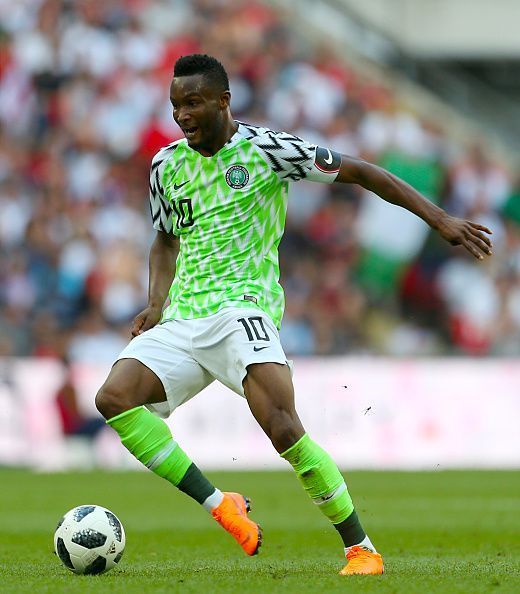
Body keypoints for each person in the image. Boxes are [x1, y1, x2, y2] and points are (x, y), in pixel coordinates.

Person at [95, 54, 493, 576]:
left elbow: (363, 172)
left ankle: (360, 548)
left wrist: (438, 218)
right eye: (175, 106)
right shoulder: (165, 165)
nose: (182, 115)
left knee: (283, 427)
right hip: (182, 319)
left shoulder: (267, 151)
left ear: (222, 100)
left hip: (242, 312)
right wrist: (155, 300)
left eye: (192, 103)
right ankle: (222, 506)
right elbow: (165, 238)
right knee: (114, 399)